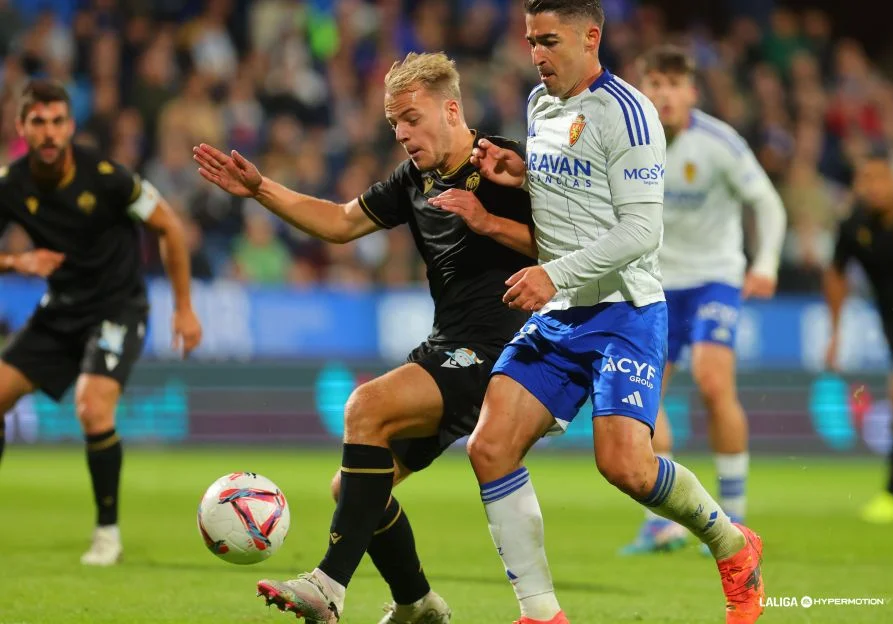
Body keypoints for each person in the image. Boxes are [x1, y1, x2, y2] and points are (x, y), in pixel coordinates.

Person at [193, 52, 536, 623]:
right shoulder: (415, 180)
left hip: (501, 348)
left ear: (451, 109)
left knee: (365, 406)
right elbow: (340, 222)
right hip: (449, 342)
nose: (402, 133)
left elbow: (566, 250)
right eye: (394, 123)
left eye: (412, 117)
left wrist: (489, 221)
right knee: (349, 488)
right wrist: (261, 190)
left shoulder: (506, 163)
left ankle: (327, 587)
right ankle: (418, 604)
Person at [465, 2, 765, 623]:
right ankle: (540, 613)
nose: (537, 54)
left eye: (549, 41)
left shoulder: (629, 112)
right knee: (489, 446)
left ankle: (732, 544)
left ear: (590, 38)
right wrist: (523, 176)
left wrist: (551, 272)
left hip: (624, 311)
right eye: (530, 41)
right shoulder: (540, 105)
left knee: (625, 465)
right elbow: (573, 194)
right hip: (564, 311)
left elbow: (639, 231)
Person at [0, 79, 202, 565]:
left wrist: (184, 306)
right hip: (61, 309)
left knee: (92, 407)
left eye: (56, 122)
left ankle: (107, 533)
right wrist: (16, 263)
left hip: (118, 307)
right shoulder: (11, 184)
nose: (48, 133)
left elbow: (168, 225)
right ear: (21, 127)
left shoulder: (109, 176)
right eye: (38, 123)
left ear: (69, 126)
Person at [620, 44, 787, 555]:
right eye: (655, 83)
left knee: (715, 385)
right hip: (652, 282)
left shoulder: (721, 142)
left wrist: (765, 264)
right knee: (645, 399)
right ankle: (661, 523)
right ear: (642, 89)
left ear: (691, 92)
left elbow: (768, 202)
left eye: (674, 84)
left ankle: (734, 516)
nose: (664, 94)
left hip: (714, 278)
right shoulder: (625, 141)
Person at [825, 151, 893, 524]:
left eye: (879, 178)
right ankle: (891, 493)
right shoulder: (854, 227)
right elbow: (835, 273)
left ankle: (891, 492)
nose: (872, 187)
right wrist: (835, 332)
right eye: (864, 179)